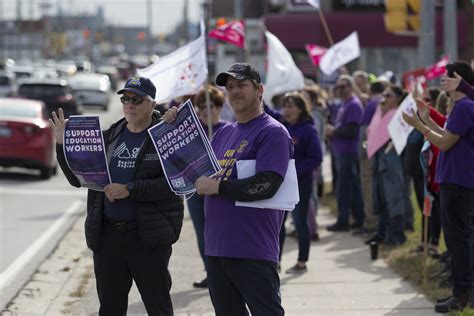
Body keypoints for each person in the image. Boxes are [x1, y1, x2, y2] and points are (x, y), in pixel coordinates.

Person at [51, 77, 184, 316]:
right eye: (125, 99)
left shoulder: (165, 136)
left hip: (147, 238)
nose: (130, 104)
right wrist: (62, 144)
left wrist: (130, 189)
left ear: (152, 104)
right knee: (110, 309)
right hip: (109, 236)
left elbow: (174, 184)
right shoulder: (109, 137)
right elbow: (76, 179)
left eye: (137, 100)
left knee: (159, 307)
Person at [175, 63, 293, 315]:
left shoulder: (272, 132)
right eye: (229, 87)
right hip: (217, 249)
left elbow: (267, 184)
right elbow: (187, 171)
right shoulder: (224, 133)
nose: (234, 91)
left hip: (252, 249)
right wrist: (169, 127)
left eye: (242, 85)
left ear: (259, 90)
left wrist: (217, 187)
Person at [402, 61, 474, 313]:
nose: (442, 81)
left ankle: (462, 294)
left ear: (457, 79)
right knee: (457, 240)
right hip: (454, 179)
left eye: (446, 77)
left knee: (459, 240)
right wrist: (426, 119)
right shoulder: (461, 107)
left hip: (460, 182)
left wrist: (418, 125)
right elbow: (446, 135)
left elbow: (444, 144)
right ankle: (462, 291)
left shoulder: (465, 106)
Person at [187, 85, 231, 288]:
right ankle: (211, 273)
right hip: (195, 191)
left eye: (209, 106)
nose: (204, 111)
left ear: (219, 107)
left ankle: (227, 273)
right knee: (202, 234)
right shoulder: (192, 132)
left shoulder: (228, 130)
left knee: (222, 232)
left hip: (219, 190)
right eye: (200, 107)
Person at [277, 92, 322, 274]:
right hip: (281, 182)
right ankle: (275, 260)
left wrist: (296, 170)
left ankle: (302, 261)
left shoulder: (308, 130)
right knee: (278, 223)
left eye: (291, 106)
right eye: (285, 106)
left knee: (300, 221)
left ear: (301, 109)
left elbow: (316, 157)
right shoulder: (280, 128)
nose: (287, 110)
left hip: (301, 183)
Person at [365, 85, 408, 246]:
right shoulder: (382, 112)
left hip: (391, 160)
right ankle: (382, 232)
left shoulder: (399, 115)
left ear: (397, 98)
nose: (385, 98)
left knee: (393, 196)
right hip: (380, 158)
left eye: (388, 95)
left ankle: (397, 235)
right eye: (384, 95)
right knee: (381, 198)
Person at [326, 74, 365, 231]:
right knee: (352, 186)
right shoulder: (344, 104)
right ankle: (358, 218)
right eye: (337, 87)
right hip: (340, 151)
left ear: (350, 87)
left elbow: (351, 130)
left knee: (345, 188)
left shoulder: (353, 104)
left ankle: (344, 220)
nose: (339, 90)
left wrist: (333, 132)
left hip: (348, 151)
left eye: (343, 87)